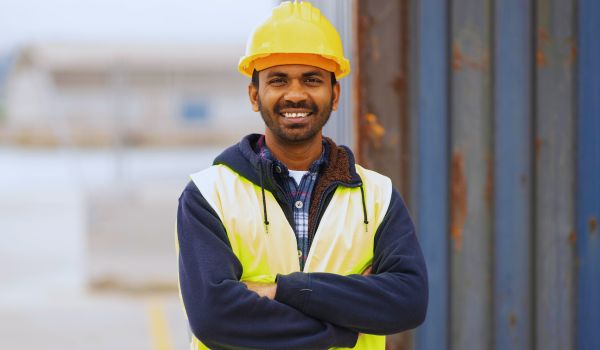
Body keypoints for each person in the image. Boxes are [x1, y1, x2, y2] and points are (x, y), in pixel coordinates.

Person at [176, 2, 428, 349]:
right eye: (278, 80)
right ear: (254, 94)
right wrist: (342, 327)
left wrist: (281, 291)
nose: (295, 94)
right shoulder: (209, 195)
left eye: (311, 79)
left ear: (335, 94)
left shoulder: (377, 196)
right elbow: (214, 316)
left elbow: (408, 302)